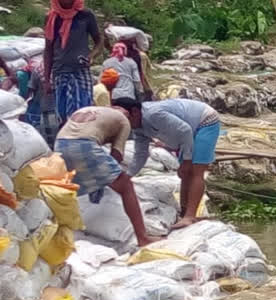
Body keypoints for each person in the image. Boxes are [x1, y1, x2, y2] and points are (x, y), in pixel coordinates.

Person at [54, 106, 161, 246]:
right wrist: (106, 179)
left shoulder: (89, 110)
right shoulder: (123, 121)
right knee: (126, 185)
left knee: (68, 190)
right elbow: (117, 155)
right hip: (84, 146)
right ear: (127, 113)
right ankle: (143, 238)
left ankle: (60, 234)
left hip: (59, 145)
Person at [114, 98, 220, 229]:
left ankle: (190, 216)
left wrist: (186, 161)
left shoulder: (153, 114)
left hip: (205, 121)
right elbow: (140, 155)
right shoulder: (138, 129)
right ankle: (184, 212)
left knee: (196, 170)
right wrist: (127, 177)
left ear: (135, 112)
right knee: (185, 174)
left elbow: (185, 130)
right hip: (187, 132)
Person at [43, 0, 103, 125]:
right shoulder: (51, 17)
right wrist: (46, 80)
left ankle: (82, 141)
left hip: (80, 71)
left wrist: (91, 56)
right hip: (59, 72)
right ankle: (65, 142)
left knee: (83, 113)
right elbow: (48, 50)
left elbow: (99, 42)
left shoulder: (85, 15)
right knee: (62, 115)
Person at [26, 60, 58, 147]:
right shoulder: (62, 68)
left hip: (44, 105)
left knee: (46, 132)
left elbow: (31, 89)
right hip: (58, 107)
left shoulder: (38, 69)